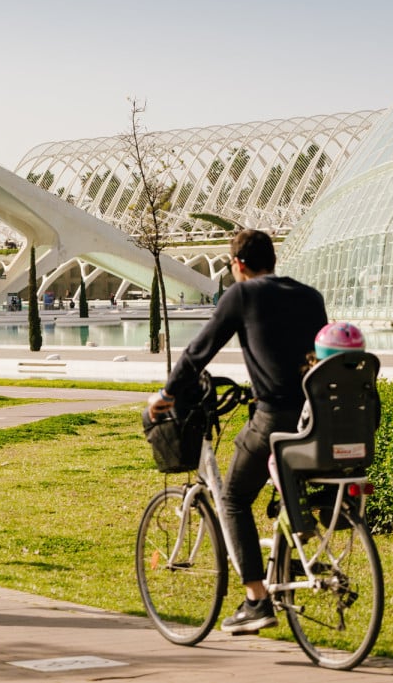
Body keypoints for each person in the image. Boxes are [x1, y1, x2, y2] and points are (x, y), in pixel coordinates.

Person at [147, 229, 327, 635]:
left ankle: (255, 600)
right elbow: (306, 355)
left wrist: (167, 394)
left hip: (274, 418)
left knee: (231, 499)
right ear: (272, 260)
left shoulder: (242, 295)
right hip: (313, 418)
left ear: (238, 264)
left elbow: (199, 351)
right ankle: (287, 557)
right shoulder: (310, 296)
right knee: (279, 487)